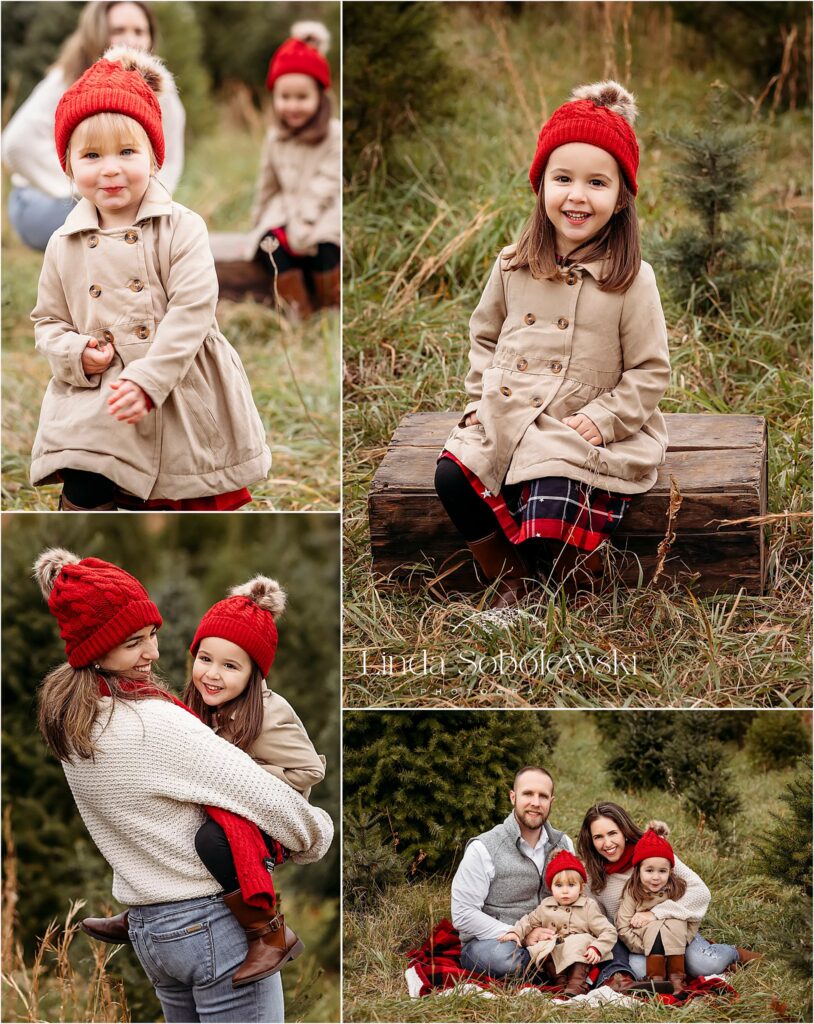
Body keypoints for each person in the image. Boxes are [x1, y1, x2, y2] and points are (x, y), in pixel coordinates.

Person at [34, 547, 333, 1023]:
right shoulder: (159, 724)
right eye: (135, 642)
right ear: (96, 647)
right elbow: (272, 804)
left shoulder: (74, 724)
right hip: (212, 926)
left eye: (151, 635)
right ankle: (270, 930)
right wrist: (317, 831)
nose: (154, 652)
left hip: (153, 931)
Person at [435, 80, 671, 612]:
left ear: (621, 197)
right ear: (541, 185)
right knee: (452, 475)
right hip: (510, 409)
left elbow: (650, 370)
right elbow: (484, 336)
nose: (577, 196)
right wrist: (479, 401)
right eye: (562, 178)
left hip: (582, 422)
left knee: (551, 489)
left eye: (596, 182)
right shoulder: (512, 264)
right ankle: (511, 582)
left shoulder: (632, 279)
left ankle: (572, 582)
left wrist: (606, 419)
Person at [29, 47, 271, 512]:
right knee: (85, 474)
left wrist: (148, 380)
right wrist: (76, 353)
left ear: (155, 157)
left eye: (127, 151)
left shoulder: (181, 226)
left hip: (174, 380)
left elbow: (192, 312)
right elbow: (48, 322)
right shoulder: (65, 242)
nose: (111, 167)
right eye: (92, 155)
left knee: (176, 491)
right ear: (69, 167)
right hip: (98, 391)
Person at [3, 1, 184, 251]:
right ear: (96, 32)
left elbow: (169, 163)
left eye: (139, 31)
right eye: (118, 30)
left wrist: (150, 203)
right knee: (118, 222)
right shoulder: (68, 78)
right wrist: (81, 181)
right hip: (41, 201)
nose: (130, 40)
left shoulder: (159, 89)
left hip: (123, 195)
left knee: (161, 228)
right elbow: (15, 145)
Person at [578, 802, 760, 990]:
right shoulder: (592, 873)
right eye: (598, 837)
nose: (607, 843)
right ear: (591, 841)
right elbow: (596, 917)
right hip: (634, 939)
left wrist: (656, 913)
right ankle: (671, 970)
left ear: (624, 831)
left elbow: (700, 892)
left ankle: (733, 954)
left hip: (674, 927)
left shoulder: (652, 853)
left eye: (612, 833)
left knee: (704, 964)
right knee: (639, 971)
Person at [247, 21, 341, 318]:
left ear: (319, 97)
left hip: (323, 212)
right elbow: (268, 182)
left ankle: (330, 306)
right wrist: (257, 220)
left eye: (302, 98)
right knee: (270, 245)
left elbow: (328, 180)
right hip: (286, 210)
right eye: (284, 97)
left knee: (326, 247)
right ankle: (297, 310)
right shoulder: (275, 137)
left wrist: (307, 219)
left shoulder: (333, 134)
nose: (292, 106)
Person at [450, 765, 575, 979]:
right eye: (528, 794)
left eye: (543, 796)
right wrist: (523, 934)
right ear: (513, 797)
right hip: (495, 942)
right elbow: (463, 915)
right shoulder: (484, 848)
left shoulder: (563, 844)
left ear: (551, 802)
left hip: (550, 937)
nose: (536, 803)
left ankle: (550, 963)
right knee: (505, 960)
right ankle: (551, 967)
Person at [498, 850, 617, 996]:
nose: (565, 891)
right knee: (544, 946)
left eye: (571, 885)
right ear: (551, 887)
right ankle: (559, 982)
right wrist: (515, 932)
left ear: (581, 887)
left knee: (580, 941)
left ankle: (577, 984)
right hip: (556, 954)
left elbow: (608, 931)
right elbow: (528, 920)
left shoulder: (588, 906)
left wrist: (597, 948)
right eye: (559, 885)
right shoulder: (546, 906)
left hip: (579, 955)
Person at [616, 826, 697, 994]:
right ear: (638, 870)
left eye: (662, 871)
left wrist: (683, 941)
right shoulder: (633, 892)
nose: (655, 877)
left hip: (677, 947)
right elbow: (622, 926)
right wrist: (643, 945)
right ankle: (656, 980)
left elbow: (693, 918)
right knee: (653, 931)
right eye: (649, 870)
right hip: (646, 947)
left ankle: (677, 981)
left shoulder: (678, 889)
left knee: (675, 924)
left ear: (670, 871)